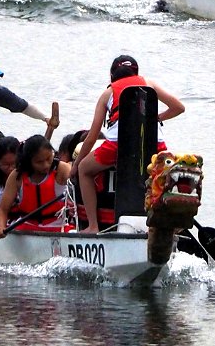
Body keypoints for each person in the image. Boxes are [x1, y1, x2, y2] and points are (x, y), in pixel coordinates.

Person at [71, 55, 185, 234]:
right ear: (136, 72)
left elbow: (92, 137)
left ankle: (92, 226)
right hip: (155, 145)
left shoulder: (107, 94)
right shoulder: (149, 83)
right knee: (163, 177)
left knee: (84, 170)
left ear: (111, 76)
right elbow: (179, 107)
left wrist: (76, 165)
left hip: (118, 146)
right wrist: (155, 118)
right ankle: (167, 224)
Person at [0, 135, 73, 237]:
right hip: (26, 225)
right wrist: (1, 227)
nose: (46, 165)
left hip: (59, 225)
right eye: (39, 162)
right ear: (28, 161)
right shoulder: (17, 175)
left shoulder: (62, 169)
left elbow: (79, 194)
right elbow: (2, 209)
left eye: (48, 158)